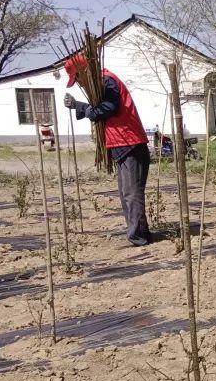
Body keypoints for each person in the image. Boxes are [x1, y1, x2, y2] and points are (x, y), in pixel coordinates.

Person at [63, 55, 151, 246]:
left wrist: (84, 109)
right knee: (126, 192)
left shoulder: (106, 80)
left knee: (131, 192)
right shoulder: (103, 81)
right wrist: (79, 106)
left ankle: (138, 236)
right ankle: (136, 233)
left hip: (129, 142)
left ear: (84, 71)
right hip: (122, 143)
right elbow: (98, 109)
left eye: (77, 78)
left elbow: (106, 109)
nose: (78, 83)